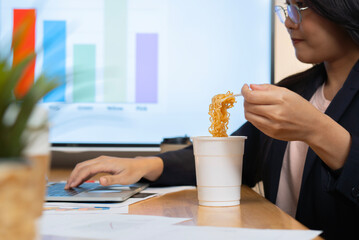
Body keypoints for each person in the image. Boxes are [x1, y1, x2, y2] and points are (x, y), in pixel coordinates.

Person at [65, 0, 359, 239]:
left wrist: (317, 130)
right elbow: (226, 159)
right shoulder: (295, 90)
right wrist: (142, 165)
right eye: (286, 8)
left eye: (301, 7)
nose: (289, 21)